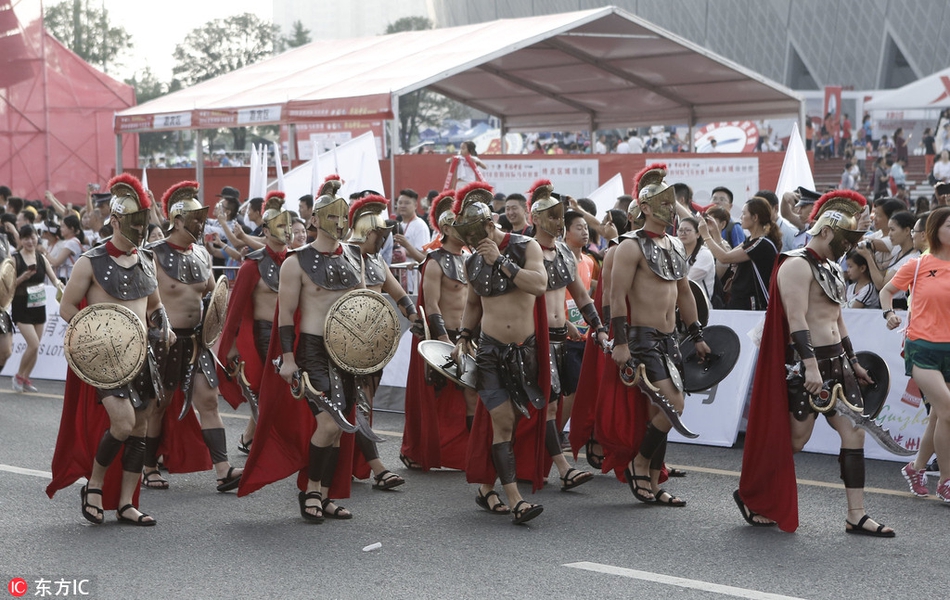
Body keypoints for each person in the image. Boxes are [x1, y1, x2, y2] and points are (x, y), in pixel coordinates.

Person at [736, 189, 895, 536]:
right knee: (794, 441)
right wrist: (809, 365)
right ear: (826, 231)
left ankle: (856, 514)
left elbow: (837, 319)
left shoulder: (833, 269)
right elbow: (796, 319)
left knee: (854, 433)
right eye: (844, 238)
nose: (847, 246)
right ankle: (754, 494)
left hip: (838, 362)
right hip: (806, 365)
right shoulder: (795, 265)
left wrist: (853, 361)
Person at [238, 179, 365, 522]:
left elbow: (364, 307)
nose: (340, 222)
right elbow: (284, 314)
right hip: (312, 351)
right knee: (327, 423)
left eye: (343, 216)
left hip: (349, 351)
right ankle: (310, 490)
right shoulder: (295, 262)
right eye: (332, 215)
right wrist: (289, 358)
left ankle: (324, 495)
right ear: (314, 221)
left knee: (340, 424)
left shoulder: (354, 257)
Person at [47, 173, 168, 526]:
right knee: (123, 421)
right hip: (106, 359)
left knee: (141, 427)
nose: (139, 228)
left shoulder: (147, 260)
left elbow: (155, 307)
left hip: (143, 355)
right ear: (115, 220)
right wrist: (98, 337)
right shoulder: (90, 261)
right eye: (133, 221)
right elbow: (68, 308)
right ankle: (95, 486)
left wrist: (166, 325)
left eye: (142, 222)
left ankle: (127, 502)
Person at [608, 163, 709, 506]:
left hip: (670, 338)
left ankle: (654, 479)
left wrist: (696, 334)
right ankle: (638, 463)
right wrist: (621, 342)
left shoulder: (677, 246)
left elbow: (685, 294)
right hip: (642, 338)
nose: (671, 207)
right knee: (672, 404)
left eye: (673, 201)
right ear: (646, 208)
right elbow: (616, 296)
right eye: (663, 201)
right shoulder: (629, 247)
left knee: (661, 408)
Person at [451, 181, 549, 524]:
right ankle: (515, 498)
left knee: (517, 421)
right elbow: (473, 304)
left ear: (492, 226)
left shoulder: (526, 246)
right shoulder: (472, 263)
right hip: (490, 351)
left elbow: (539, 285)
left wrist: (502, 261)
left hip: (525, 351)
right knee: (502, 420)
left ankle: (485, 488)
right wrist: (463, 335)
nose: (476, 243)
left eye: (480, 234)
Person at [141, 180, 243, 492]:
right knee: (159, 405)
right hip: (162, 342)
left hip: (197, 342)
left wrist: (223, 335)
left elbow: (216, 296)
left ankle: (223, 469)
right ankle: (147, 466)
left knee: (209, 401)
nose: (201, 223)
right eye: (196, 218)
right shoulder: (151, 255)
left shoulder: (201, 255)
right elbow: (140, 301)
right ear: (177, 220)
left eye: (202, 217)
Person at [527, 180, 606, 490]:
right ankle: (562, 467)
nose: (558, 222)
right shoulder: (525, 249)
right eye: (551, 215)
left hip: (563, 337)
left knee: (555, 405)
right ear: (535, 218)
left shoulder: (564, 253)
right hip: (535, 339)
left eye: (560, 216)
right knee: (545, 406)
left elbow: (582, 296)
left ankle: (541, 465)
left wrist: (597, 326)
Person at [346, 194, 424, 490]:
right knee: (359, 405)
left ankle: (353, 462)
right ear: (367, 231)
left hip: (374, 345)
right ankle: (377, 467)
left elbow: (397, 292)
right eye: (380, 234)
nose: (384, 241)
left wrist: (413, 314)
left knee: (364, 404)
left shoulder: (377, 260)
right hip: (346, 345)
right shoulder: (342, 258)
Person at [401, 191, 478, 471]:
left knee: (471, 394)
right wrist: (444, 340)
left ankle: (471, 454)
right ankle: (422, 448)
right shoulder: (433, 261)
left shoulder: (470, 257)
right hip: (441, 337)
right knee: (433, 397)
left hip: (467, 336)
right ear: (446, 228)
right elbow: (431, 305)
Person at [218, 191, 294, 456]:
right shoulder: (253, 265)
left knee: (284, 391)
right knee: (270, 391)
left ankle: (252, 437)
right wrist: (230, 347)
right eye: (280, 225)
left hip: (292, 334)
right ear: (266, 229)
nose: (285, 230)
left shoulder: (298, 261)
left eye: (288, 224)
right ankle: (266, 441)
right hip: (263, 336)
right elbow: (235, 310)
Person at [700, 197, 781, 310]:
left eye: (744, 214)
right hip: (740, 301)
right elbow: (729, 254)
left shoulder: (761, 244)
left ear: (755, 217)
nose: (740, 217)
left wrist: (706, 236)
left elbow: (724, 258)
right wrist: (715, 232)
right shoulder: (751, 240)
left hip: (754, 305)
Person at [11, 225, 63, 392]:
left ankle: (25, 378)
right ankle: (18, 375)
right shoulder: (15, 259)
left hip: (38, 305)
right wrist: (22, 278)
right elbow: (7, 285)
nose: (30, 241)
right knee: (33, 344)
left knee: (37, 345)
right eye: (26, 238)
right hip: (21, 306)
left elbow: (54, 279)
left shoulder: (41, 257)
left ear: (36, 237)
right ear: (21, 239)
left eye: (32, 237)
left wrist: (61, 286)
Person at [856, 210, 919, 309]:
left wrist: (868, 257)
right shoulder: (898, 250)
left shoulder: (911, 259)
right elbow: (882, 275)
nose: (889, 234)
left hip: (898, 307)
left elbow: (881, 285)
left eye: (892, 230)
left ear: (907, 231)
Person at [678, 216, 716, 301]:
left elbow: (688, 281)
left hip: (700, 305)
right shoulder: (676, 252)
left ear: (698, 234)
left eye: (687, 230)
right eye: (680, 230)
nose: (683, 233)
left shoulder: (704, 254)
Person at [44, 214, 86, 282]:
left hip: (69, 277)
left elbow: (56, 262)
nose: (60, 229)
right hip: (66, 276)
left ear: (71, 228)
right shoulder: (68, 241)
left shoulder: (72, 242)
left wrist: (44, 252)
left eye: (63, 226)